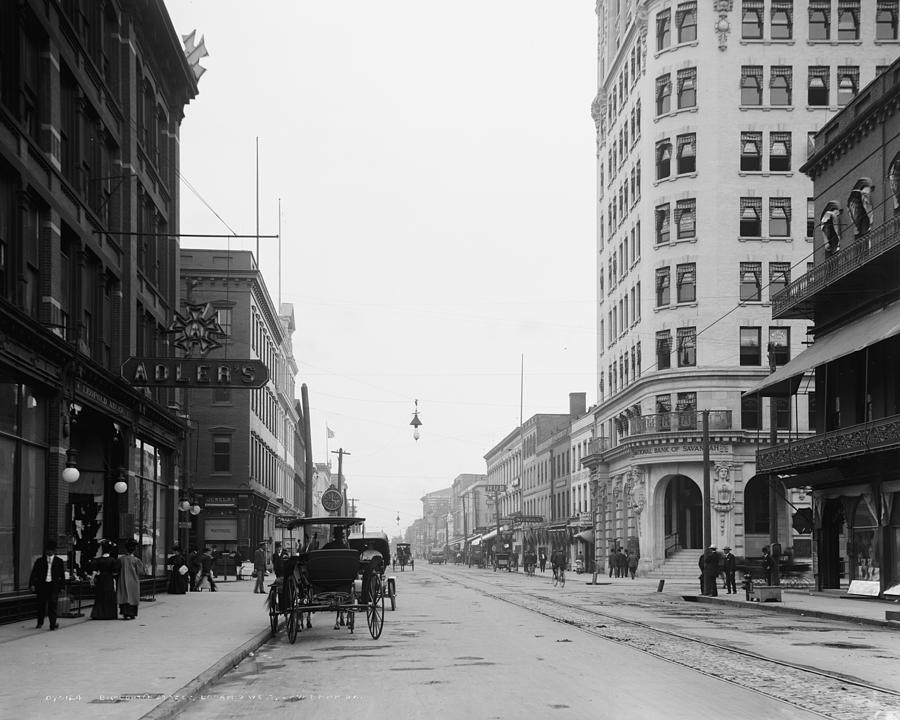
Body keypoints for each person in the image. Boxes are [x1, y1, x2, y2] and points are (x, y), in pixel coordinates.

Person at [28, 540, 66, 630]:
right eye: (48, 550)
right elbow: (34, 573)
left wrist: (62, 587)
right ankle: (40, 622)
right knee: (41, 605)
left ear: (54, 551)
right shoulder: (40, 561)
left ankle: (52, 624)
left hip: (53, 586)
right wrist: (32, 584)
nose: (49, 552)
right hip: (42, 585)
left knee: (53, 605)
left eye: (51, 550)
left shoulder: (59, 561)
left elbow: (62, 575)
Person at [90, 540, 119, 620]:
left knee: (100, 595)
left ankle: (98, 614)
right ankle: (109, 614)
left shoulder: (98, 560)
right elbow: (115, 572)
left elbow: (94, 571)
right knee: (109, 596)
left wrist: (92, 579)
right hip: (109, 579)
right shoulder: (112, 560)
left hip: (101, 579)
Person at [117, 539, 144, 619]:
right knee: (133, 596)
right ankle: (132, 613)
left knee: (124, 595)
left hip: (123, 580)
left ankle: (125, 613)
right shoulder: (136, 560)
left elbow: (116, 570)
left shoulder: (121, 559)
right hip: (133, 581)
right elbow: (140, 571)